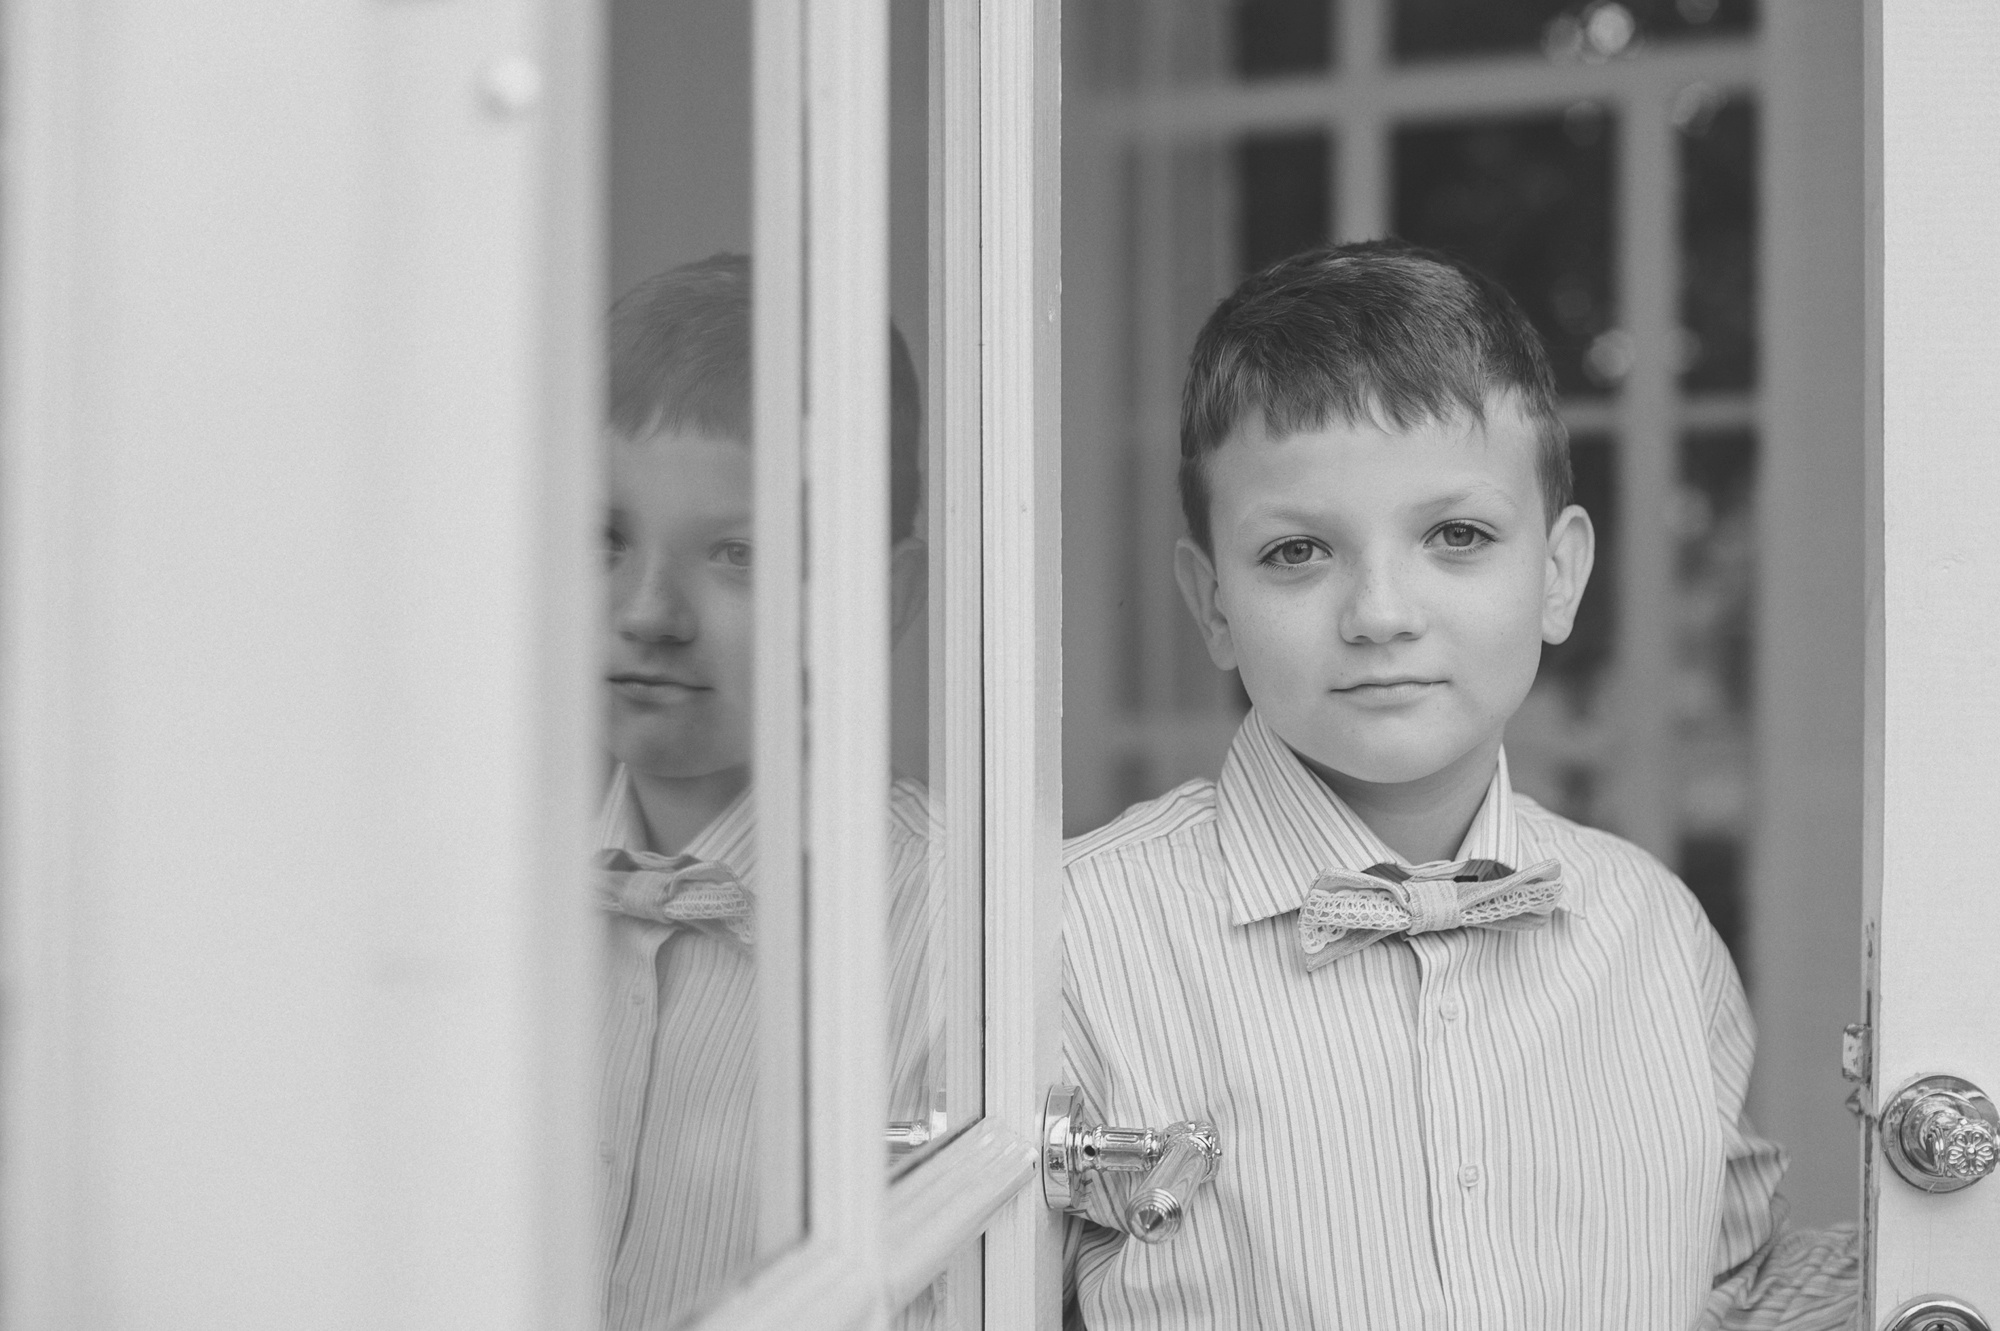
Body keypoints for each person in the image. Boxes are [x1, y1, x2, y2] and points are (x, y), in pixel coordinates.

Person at [1059, 240, 1859, 1330]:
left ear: (1558, 573)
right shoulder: (1064, 943)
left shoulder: (1654, 934)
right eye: (1297, 552)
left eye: (1455, 534)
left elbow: (1727, 1292)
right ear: (1210, 601)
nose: (1380, 611)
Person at [595, 253, 940, 1329]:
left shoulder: (965, 941)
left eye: (736, 551)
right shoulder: (466, 906)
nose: (648, 609)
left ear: (880, 598)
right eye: (604, 538)